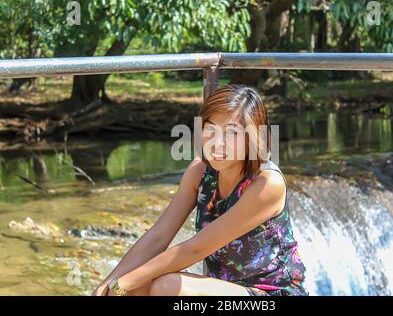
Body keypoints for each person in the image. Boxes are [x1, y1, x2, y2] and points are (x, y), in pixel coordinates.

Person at [93, 84, 308, 296]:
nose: (217, 143)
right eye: (210, 129)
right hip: (225, 290)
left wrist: (121, 284)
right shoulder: (200, 172)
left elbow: (196, 249)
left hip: (272, 294)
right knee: (137, 288)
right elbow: (158, 237)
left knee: (164, 286)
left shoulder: (266, 184)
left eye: (232, 133)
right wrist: (107, 285)